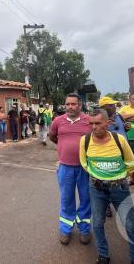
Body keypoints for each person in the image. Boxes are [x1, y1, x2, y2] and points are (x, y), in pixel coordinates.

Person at [80, 109, 134, 264]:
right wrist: (98, 175)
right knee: (98, 223)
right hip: (96, 188)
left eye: (98, 123)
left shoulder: (119, 139)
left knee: (130, 225)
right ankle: (103, 255)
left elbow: (131, 162)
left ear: (108, 123)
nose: (94, 127)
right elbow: (84, 163)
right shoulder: (84, 141)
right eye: (91, 123)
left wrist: (116, 178)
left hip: (119, 188)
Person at [49, 93, 92, 245]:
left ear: (80, 105)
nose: (70, 107)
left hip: (85, 168)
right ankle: (66, 229)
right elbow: (52, 137)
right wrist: (65, 147)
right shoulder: (57, 121)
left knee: (86, 198)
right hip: (65, 167)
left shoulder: (89, 121)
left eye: (73, 104)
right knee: (66, 199)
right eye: (67, 104)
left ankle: (85, 228)